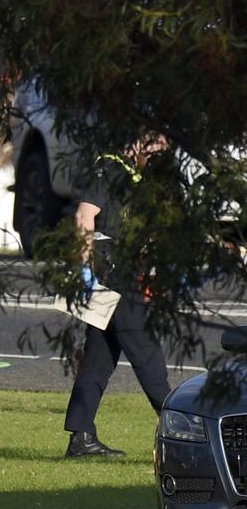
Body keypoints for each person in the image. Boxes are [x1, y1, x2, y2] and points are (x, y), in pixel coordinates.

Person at [64, 145, 171, 457]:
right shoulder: (110, 166)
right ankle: (184, 433)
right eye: (154, 149)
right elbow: (85, 215)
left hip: (115, 272)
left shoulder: (135, 176)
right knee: (148, 356)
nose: (157, 156)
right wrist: (84, 270)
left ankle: (81, 436)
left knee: (99, 356)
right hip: (111, 274)